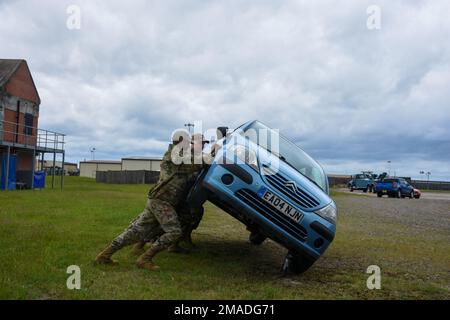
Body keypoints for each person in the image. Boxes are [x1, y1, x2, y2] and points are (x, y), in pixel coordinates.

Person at [95, 131, 208, 270]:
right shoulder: (176, 156)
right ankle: (145, 258)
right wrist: (214, 153)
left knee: (135, 231)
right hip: (162, 200)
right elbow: (199, 163)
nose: (190, 144)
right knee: (174, 232)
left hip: (159, 199)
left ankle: (105, 255)